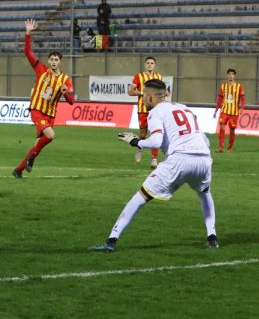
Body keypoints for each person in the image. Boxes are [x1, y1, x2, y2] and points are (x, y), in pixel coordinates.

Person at [92, 78, 218, 252]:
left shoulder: (155, 112)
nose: (143, 99)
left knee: (140, 197)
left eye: (144, 95)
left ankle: (111, 240)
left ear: (150, 97)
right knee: (204, 193)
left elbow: (156, 140)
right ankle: (212, 238)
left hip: (179, 160)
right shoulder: (184, 108)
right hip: (203, 158)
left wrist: (135, 141)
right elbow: (205, 139)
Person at [13, 19, 76, 179]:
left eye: (57, 60)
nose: (54, 62)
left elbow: (71, 101)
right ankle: (31, 159)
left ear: (60, 62)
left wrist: (65, 93)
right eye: (52, 59)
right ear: (49, 61)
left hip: (50, 114)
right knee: (50, 136)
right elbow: (28, 53)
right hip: (37, 110)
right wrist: (28, 33)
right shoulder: (41, 69)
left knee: (37, 146)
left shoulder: (66, 80)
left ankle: (18, 170)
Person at [128, 56, 164, 168]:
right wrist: (142, 93)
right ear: (145, 65)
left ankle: (154, 159)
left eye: (152, 63)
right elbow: (130, 92)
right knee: (143, 133)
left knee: (155, 134)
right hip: (142, 109)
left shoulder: (159, 77)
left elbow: (161, 92)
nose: (150, 65)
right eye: (148, 63)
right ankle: (140, 148)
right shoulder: (138, 76)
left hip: (155, 110)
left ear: (154, 65)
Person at [212, 68, 244, 153]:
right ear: (227, 75)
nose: (231, 75)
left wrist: (242, 107)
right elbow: (219, 99)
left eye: (232, 74)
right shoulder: (223, 86)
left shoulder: (239, 86)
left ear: (234, 76)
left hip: (234, 112)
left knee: (232, 130)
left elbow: (242, 98)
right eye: (229, 74)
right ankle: (221, 147)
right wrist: (216, 111)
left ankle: (229, 148)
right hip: (224, 111)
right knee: (222, 127)